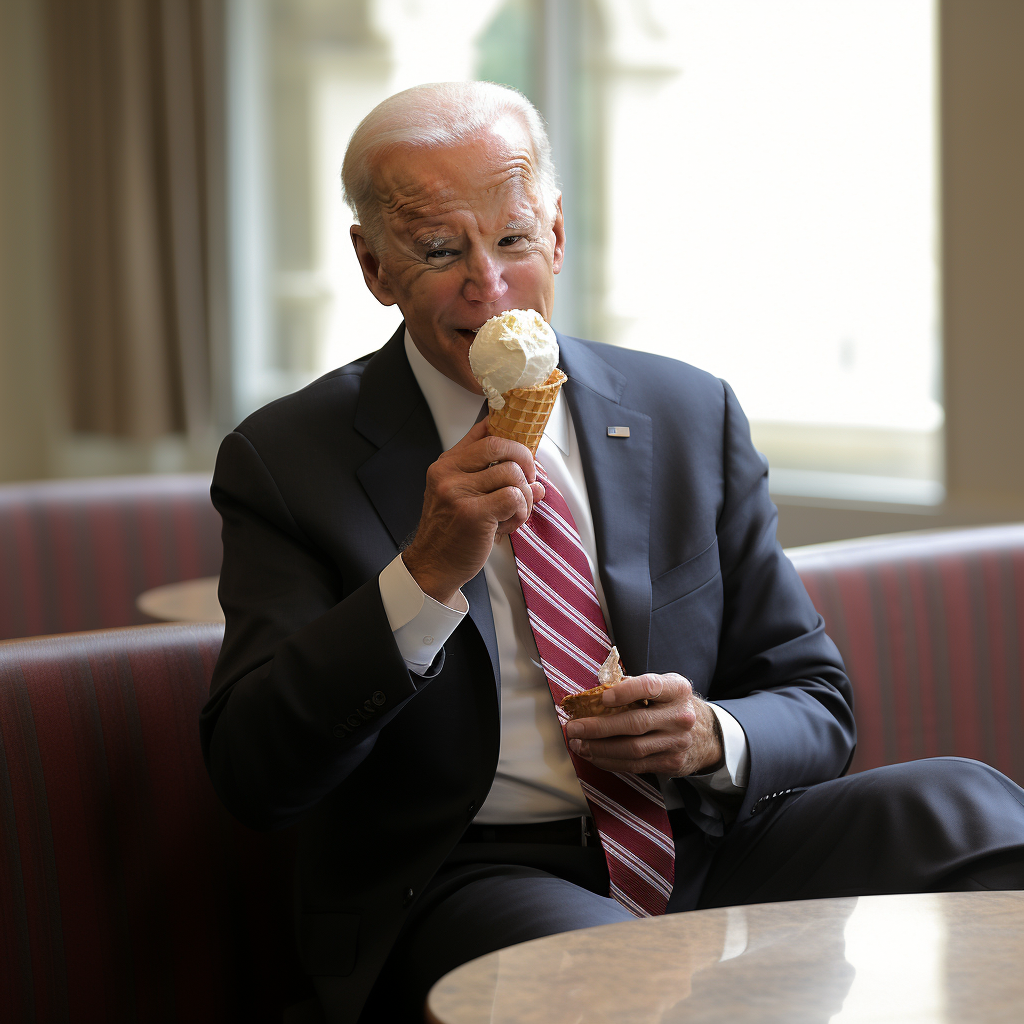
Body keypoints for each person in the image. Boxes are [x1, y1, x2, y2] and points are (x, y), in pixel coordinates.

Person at [201, 81, 1024, 1024]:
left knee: (965, 805)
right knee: (623, 978)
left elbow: (815, 703)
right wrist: (423, 574)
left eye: (512, 238)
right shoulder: (286, 460)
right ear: (374, 266)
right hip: (477, 873)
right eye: (439, 250)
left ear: (554, 232)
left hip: (706, 836)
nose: (488, 282)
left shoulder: (686, 412)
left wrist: (712, 736)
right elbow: (255, 774)